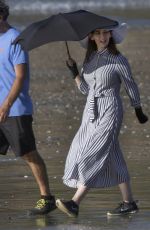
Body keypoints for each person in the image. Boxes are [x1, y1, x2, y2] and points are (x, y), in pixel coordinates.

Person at [56, 21, 148, 217]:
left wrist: (138, 108)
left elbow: (130, 85)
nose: (103, 36)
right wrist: (74, 72)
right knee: (108, 154)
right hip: (90, 114)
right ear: (91, 36)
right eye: (98, 33)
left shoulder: (118, 59)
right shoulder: (89, 60)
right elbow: (85, 91)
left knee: (93, 154)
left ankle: (75, 202)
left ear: (111, 35)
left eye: (106, 32)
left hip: (110, 111)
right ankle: (128, 202)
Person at [0, 0, 56, 215]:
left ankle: (46, 198)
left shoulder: (15, 39)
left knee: (28, 153)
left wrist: (6, 104)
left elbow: (20, 77)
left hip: (15, 109)